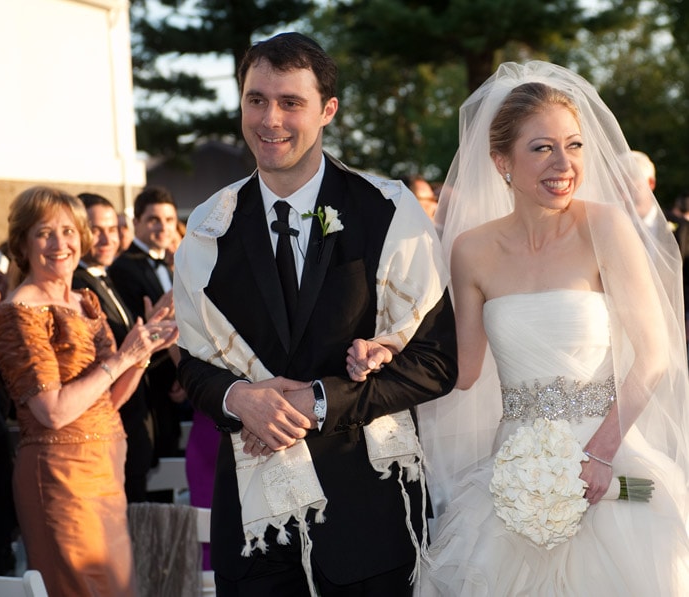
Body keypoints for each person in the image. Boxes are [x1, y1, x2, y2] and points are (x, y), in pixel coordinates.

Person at [173, 32, 457, 596]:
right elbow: (193, 364)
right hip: (256, 531)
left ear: (327, 110)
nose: (269, 119)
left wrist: (321, 401)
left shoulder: (386, 211)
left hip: (367, 520)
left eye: (290, 102)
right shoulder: (209, 224)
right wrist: (238, 399)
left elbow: (435, 361)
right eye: (256, 99)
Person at [415, 62, 689, 595]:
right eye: (541, 148)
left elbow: (654, 355)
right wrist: (388, 348)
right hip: (516, 472)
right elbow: (464, 371)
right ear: (502, 162)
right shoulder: (472, 250)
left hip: (611, 460)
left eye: (574, 145)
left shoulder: (605, 227)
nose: (564, 164)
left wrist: (601, 453)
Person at [0, 186, 178, 595]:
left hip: (106, 471)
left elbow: (107, 401)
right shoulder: (17, 313)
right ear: (23, 241)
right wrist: (122, 358)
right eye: (45, 233)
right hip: (59, 477)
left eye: (69, 231)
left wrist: (144, 351)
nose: (61, 244)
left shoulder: (86, 301)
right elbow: (52, 411)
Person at [72, 192, 166, 502]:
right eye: (96, 229)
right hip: (106, 429)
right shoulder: (75, 288)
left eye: (112, 229)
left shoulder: (105, 278)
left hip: (133, 427)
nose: (106, 238)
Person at [109, 185, 186, 463]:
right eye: (154, 220)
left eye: (168, 220)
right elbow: (134, 331)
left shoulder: (168, 262)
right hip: (147, 388)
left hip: (172, 386)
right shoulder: (123, 269)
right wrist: (177, 372)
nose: (163, 227)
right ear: (137, 223)